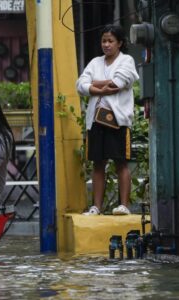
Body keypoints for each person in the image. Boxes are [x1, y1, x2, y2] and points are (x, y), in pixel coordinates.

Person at [76, 24, 139, 215]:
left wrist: (93, 85)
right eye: (104, 41)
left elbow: (117, 83)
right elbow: (80, 85)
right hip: (96, 120)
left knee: (121, 162)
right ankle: (96, 207)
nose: (106, 44)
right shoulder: (95, 62)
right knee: (98, 162)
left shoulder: (126, 61)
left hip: (118, 120)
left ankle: (124, 206)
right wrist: (99, 87)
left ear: (119, 43)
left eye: (110, 41)